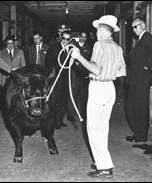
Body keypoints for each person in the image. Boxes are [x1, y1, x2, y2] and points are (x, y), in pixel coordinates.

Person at [71, 15, 126, 178]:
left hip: (98, 87)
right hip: (110, 88)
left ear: (102, 29)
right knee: (103, 128)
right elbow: (122, 71)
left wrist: (78, 56)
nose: (95, 32)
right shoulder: (117, 47)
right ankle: (100, 160)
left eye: (97, 29)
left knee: (94, 129)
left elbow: (95, 69)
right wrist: (108, 73)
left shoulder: (99, 45)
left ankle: (104, 167)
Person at [125, 17, 152, 143]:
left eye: (136, 26)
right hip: (136, 79)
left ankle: (140, 135)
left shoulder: (146, 37)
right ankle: (138, 133)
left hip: (141, 79)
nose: (134, 30)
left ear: (143, 25)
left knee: (139, 108)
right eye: (133, 28)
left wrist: (147, 66)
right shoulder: (141, 39)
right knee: (132, 107)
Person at [45, 30, 77, 129]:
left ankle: (59, 121)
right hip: (56, 78)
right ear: (60, 38)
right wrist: (55, 70)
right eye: (63, 39)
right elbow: (48, 63)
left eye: (68, 39)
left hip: (66, 77)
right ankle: (53, 121)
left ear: (70, 39)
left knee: (64, 99)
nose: (65, 41)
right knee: (55, 100)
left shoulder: (71, 49)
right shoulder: (54, 48)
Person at [73, 31, 93, 119]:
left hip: (85, 73)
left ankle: (85, 113)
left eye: (85, 37)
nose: (83, 39)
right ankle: (72, 113)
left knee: (84, 93)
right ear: (79, 36)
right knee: (74, 92)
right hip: (75, 72)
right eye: (82, 37)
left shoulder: (89, 46)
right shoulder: (74, 45)